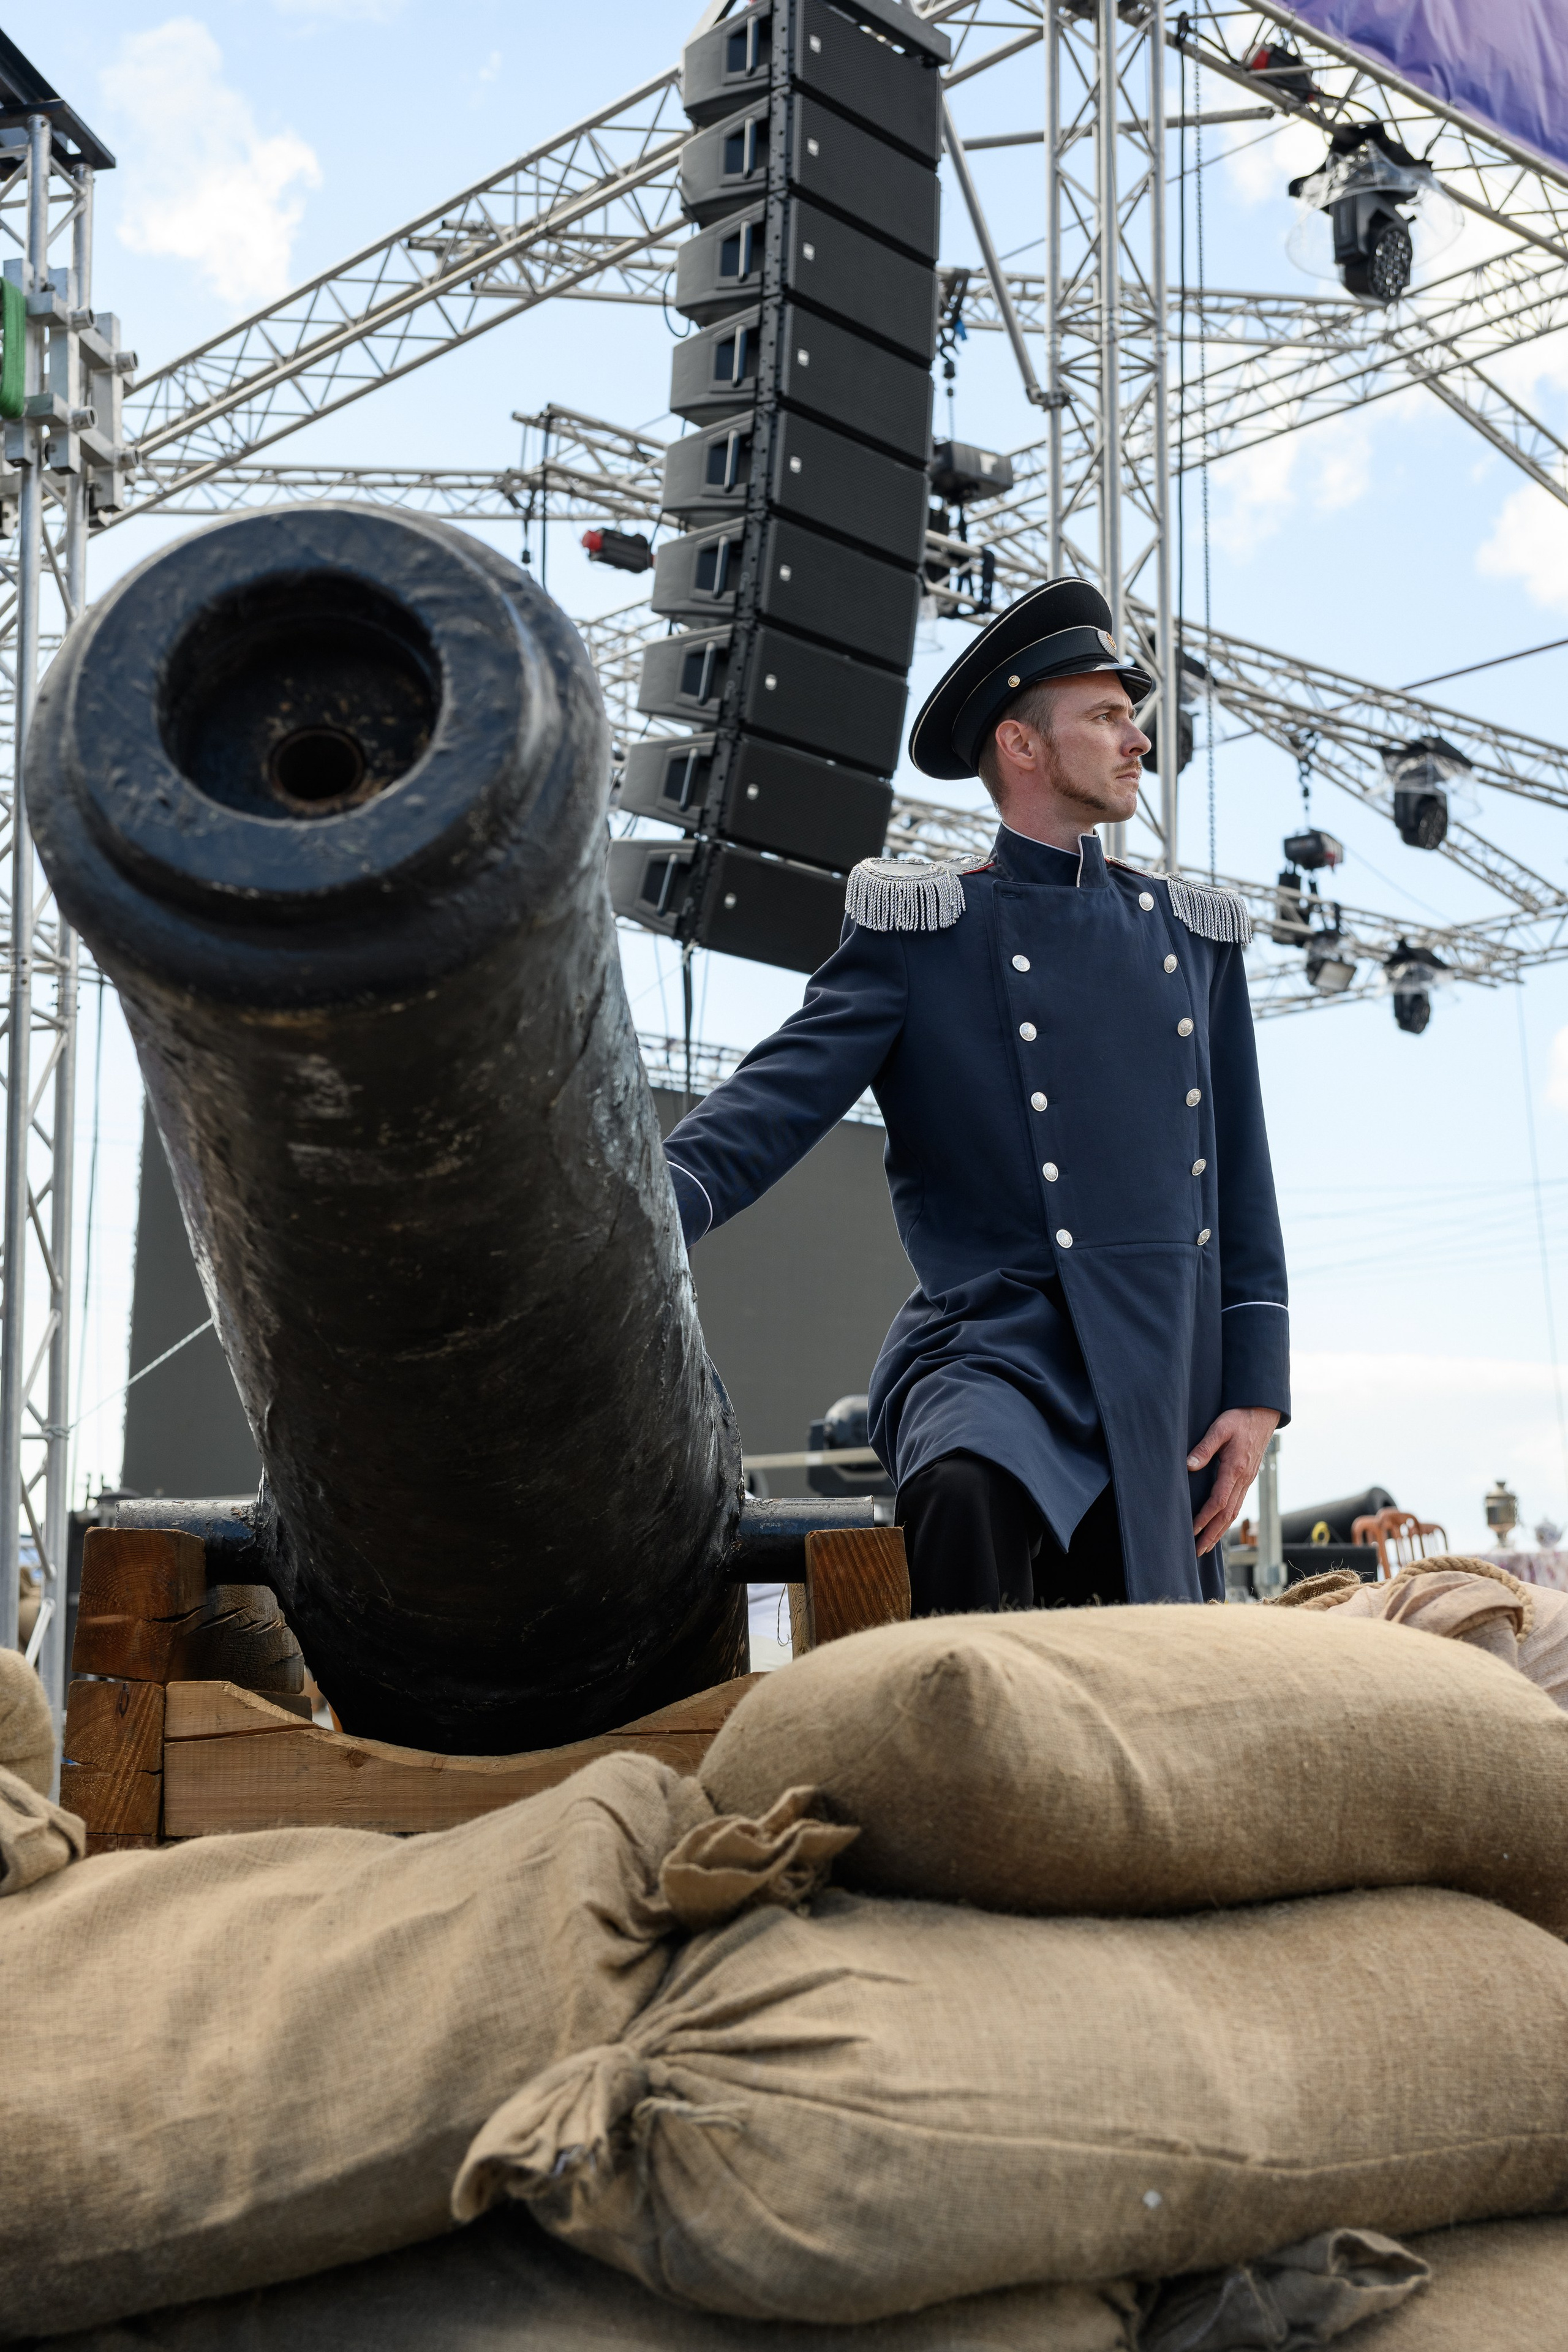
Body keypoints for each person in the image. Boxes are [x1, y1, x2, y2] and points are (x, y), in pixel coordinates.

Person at [662, 578, 1289, 1613]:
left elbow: (1244, 1190)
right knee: (965, 1482)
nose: (1139, 740)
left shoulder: (1193, 940)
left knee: (1147, 1677)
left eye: (1133, 717)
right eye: (1107, 716)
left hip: (1161, 1374)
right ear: (1022, 744)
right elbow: (774, 1103)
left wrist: (1257, 1394)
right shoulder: (925, 931)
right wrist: (639, 1209)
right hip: (996, 1349)